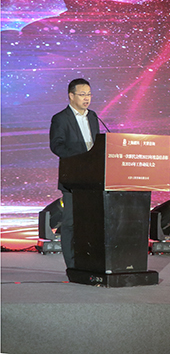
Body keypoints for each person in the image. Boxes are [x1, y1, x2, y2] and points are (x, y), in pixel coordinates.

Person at [49, 78, 99, 269]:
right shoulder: (60, 118)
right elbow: (57, 145)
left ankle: (88, 260)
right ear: (71, 96)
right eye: (82, 94)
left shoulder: (93, 116)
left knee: (90, 222)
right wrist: (82, 156)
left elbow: (97, 144)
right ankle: (72, 265)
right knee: (70, 223)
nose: (87, 98)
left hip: (93, 178)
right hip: (73, 178)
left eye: (89, 94)